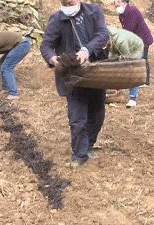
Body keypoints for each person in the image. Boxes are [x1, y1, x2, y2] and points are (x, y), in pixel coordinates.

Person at [40, 0, 109, 167]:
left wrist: (86, 51)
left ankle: (89, 144)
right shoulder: (56, 19)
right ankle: (79, 154)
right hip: (73, 75)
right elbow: (46, 46)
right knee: (77, 118)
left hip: (96, 71)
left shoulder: (93, 11)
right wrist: (53, 58)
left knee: (97, 113)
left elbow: (102, 34)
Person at [114, 0, 154, 108]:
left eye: (117, 1)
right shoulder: (121, 14)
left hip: (142, 40)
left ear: (124, 2)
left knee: (135, 67)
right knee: (142, 61)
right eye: (114, 1)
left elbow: (128, 31)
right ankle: (145, 81)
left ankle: (133, 98)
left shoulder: (131, 11)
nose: (115, 4)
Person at [106, 26, 144, 104]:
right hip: (125, 49)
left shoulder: (120, 41)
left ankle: (133, 98)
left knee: (132, 71)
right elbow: (111, 56)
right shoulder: (108, 38)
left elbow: (126, 59)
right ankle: (117, 92)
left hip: (135, 49)